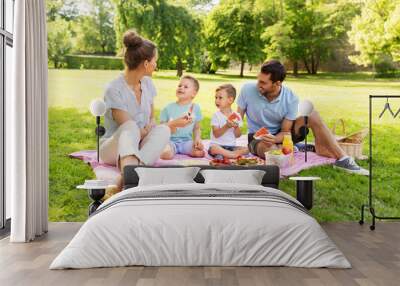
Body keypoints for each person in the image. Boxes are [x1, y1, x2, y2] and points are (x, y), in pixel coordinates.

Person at [237, 60, 369, 176]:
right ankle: (298, 148)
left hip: (283, 135)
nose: (258, 84)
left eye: (263, 82)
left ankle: (343, 159)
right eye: (258, 79)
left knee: (311, 113)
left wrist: (276, 138)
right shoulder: (247, 90)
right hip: (257, 138)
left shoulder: (290, 98)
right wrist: (233, 125)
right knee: (274, 155)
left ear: (277, 83)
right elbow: (237, 118)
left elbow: (285, 132)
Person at [100, 30, 192, 190]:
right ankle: (132, 177)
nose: (156, 65)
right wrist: (146, 129)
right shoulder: (113, 89)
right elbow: (129, 131)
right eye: (155, 60)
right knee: (130, 127)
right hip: (114, 148)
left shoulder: (148, 84)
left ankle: (127, 178)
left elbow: (152, 119)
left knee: (164, 130)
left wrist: (154, 127)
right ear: (146, 63)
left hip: (141, 143)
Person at [159, 75, 205, 159]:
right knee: (166, 154)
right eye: (179, 86)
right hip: (170, 141)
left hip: (186, 142)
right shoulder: (168, 108)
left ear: (194, 93)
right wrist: (172, 125)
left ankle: (187, 150)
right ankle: (168, 150)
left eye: (186, 87)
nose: (181, 88)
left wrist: (197, 139)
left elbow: (197, 127)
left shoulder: (195, 108)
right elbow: (161, 128)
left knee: (200, 152)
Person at [208, 84, 249, 159]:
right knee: (214, 150)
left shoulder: (237, 116)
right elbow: (216, 134)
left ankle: (229, 154)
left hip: (231, 147)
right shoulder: (216, 115)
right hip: (218, 146)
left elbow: (238, 135)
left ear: (230, 100)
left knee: (247, 149)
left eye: (220, 98)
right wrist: (226, 126)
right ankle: (232, 155)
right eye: (216, 97)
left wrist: (236, 127)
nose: (216, 100)